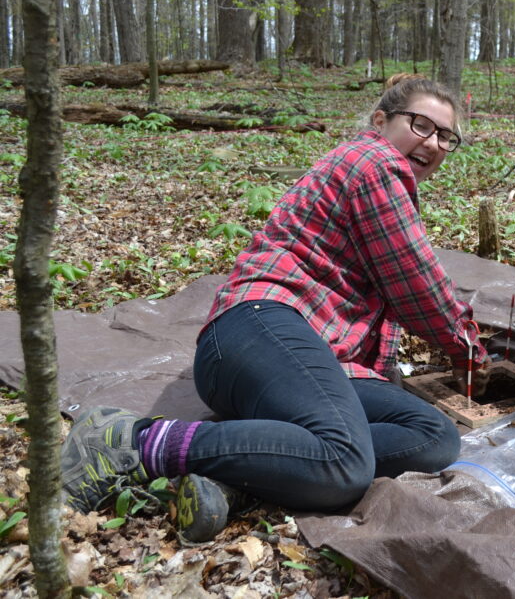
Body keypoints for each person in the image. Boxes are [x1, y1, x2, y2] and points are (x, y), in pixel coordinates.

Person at [60, 74, 489, 542]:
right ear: (381, 120)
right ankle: (135, 441)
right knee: (345, 461)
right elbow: (414, 279)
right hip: (262, 326)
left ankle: (238, 480)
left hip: (313, 360)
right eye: (422, 125)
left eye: (447, 136)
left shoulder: (386, 175)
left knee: (432, 436)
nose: (435, 143)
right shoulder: (373, 160)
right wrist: (465, 345)